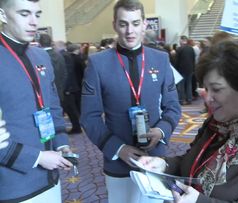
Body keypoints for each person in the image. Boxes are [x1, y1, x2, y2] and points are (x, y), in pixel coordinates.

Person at [138, 40, 238, 202]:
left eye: (216, 89)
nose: (207, 98)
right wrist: (164, 164)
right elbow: (191, 161)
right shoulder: (216, 122)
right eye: (206, 88)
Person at [80, 0, 181, 202]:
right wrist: (119, 149)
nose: (129, 31)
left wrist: (161, 130)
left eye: (135, 23)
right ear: (114, 25)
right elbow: (89, 117)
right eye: (123, 23)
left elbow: (173, 107)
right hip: (118, 160)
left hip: (154, 158)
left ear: (144, 24)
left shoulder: (161, 59)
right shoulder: (97, 63)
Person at [0, 0, 73, 202]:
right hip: (13, 185)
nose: (34, 22)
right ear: (3, 15)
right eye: (24, 14)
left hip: (51, 176)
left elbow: (53, 106)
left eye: (37, 14)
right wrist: (37, 158)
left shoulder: (41, 55)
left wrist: (61, 144)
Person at [38, 33, 68, 103]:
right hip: (59, 92)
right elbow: (64, 74)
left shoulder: (38, 57)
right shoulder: (59, 55)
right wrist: (61, 89)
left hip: (46, 95)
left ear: (39, 43)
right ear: (51, 42)